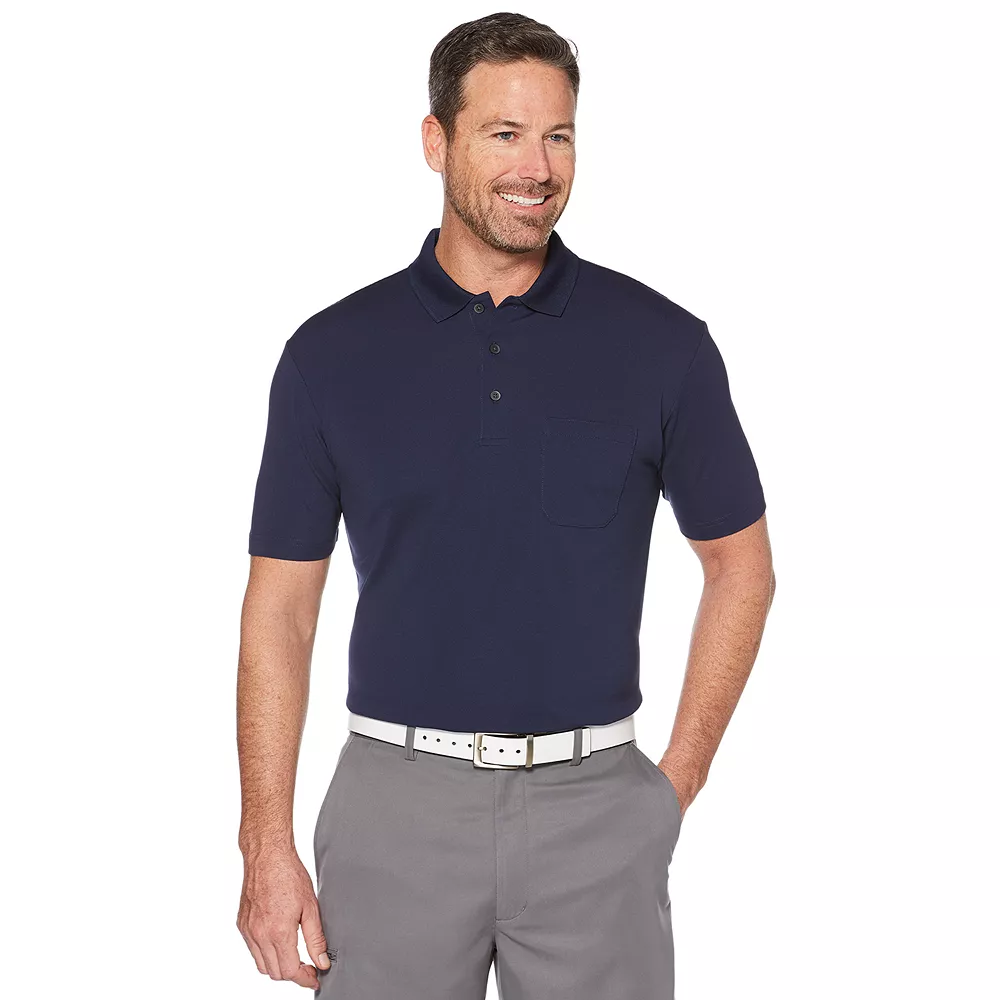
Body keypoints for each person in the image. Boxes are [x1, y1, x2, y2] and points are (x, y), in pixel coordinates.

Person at [236, 11, 775, 998]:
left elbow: (741, 565)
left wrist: (673, 784)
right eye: (505, 133)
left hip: (598, 811)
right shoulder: (331, 354)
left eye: (558, 135)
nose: (538, 166)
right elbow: (281, 610)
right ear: (435, 140)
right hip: (393, 810)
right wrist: (263, 843)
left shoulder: (663, 345)